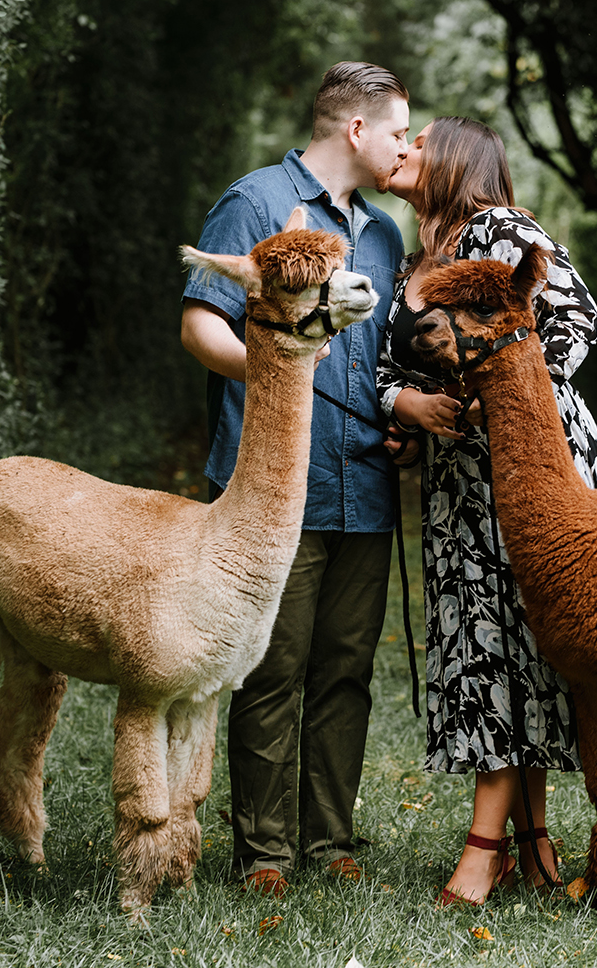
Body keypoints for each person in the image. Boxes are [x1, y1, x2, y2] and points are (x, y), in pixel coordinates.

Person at [376, 116, 597, 905]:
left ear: (451, 161)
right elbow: (387, 367)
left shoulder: (500, 230)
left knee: (527, 642)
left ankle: (486, 852)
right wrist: (407, 406)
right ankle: (533, 841)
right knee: (488, 645)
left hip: (537, 466)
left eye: (418, 140)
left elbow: (579, 321)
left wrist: (496, 397)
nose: (403, 149)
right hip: (457, 484)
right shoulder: (415, 262)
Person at [179, 62, 409, 898]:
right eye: (397, 132)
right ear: (356, 128)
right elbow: (201, 324)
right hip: (275, 487)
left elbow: (383, 356)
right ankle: (265, 852)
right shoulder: (253, 202)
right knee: (272, 666)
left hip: (366, 486)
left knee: (345, 667)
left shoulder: (382, 236)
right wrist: (279, 380)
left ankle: (330, 839)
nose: (405, 148)